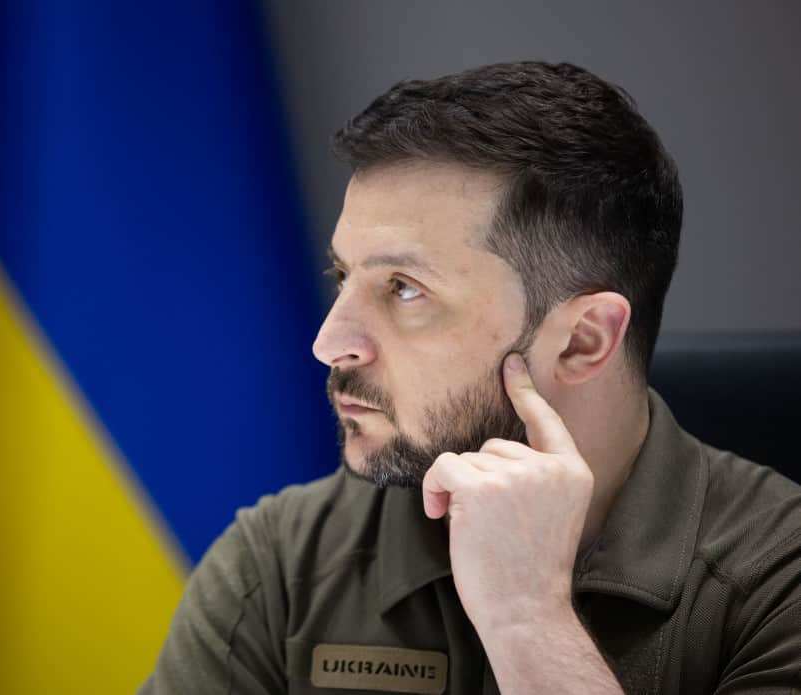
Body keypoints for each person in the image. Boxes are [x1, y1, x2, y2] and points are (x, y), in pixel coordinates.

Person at [140, 62, 801, 694]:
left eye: (404, 288)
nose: (328, 343)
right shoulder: (280, 562)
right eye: (343, 276)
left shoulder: (780, 579)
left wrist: (529, 619)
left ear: (583, 339)